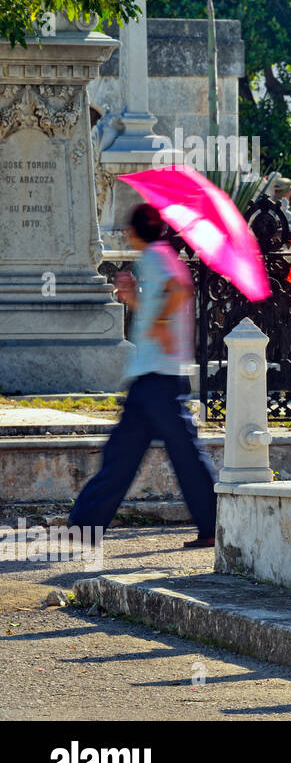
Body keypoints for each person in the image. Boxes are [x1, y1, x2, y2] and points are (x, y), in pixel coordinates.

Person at [69, 204, 217, 548]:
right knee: (133, 454)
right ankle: (85, 525)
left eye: (127, 230)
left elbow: (180, 287)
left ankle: (84, 525)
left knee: (151, 455)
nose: (125, 235)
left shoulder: (156, 256)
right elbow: (162, 301)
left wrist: (162, 323)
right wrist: (133, 299)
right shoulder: (157, 256)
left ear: (135, 232)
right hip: (155, 375)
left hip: (158, 377)